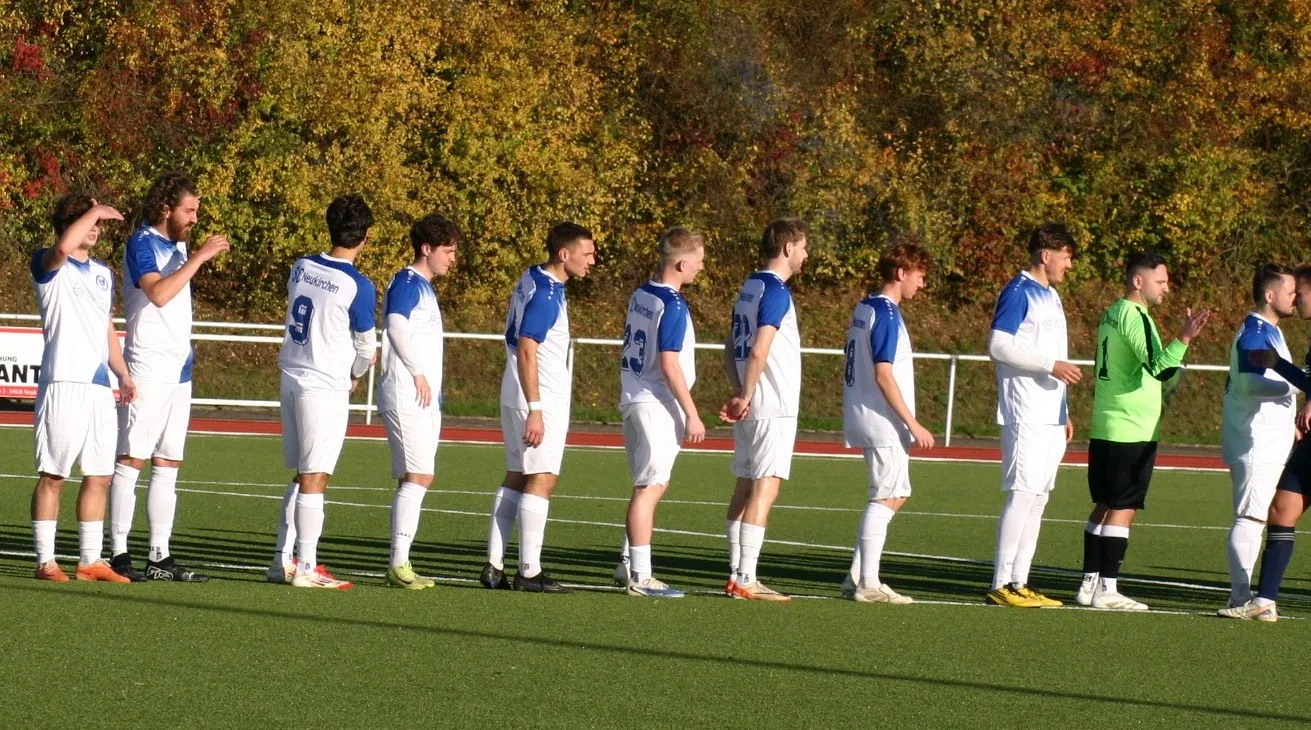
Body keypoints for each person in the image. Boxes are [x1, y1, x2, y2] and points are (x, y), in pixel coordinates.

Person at [109, 171, 229, 582]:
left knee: (168, 463)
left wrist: (190, 253)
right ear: (166, 208)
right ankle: (119, 554)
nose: (195, 218)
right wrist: (198, 258)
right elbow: (157, 294)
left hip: (179, 368)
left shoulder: (178, 244)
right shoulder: (142, 243)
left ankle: (159, 556)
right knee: (131, 459)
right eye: (189, 210)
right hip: (147, 365)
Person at [1081, 253, 1209, 610]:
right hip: (1130, 428)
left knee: (1104, 504)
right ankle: (1107, 590)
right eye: (1161, 281)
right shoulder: (1134, 316)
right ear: (1138, 281)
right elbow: (1159, 367)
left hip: (1108, 422)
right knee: (1123, 506)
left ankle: (1089, 583)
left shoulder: (1112, 312)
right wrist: (1184, 337)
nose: (1167, 287)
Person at [268, 194, 378, 590]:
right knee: (316, 476)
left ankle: (282, 559)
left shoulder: (301, 265)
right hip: (324, 383)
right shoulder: (358, 284)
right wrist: (355, 374)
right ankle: (308, 566)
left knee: (302, 474)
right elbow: (367, 347)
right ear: (366, 236)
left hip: (292, 373)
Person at [480, 222, 596, 593]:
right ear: (564, 254)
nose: (593, 260)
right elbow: (528, 347)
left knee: (516, 474)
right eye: (587, 253)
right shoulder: (547, 293)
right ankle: (529, 571)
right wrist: (536, 407)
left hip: (514, 391)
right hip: (536, 396)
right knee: (542, 477)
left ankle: (494, 564)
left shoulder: (532, 276)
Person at [29, 193, 137, 583]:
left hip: (98, 387)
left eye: (98, 223)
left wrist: (122, 372)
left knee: (99, 475)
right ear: (70, 224)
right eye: (88, 221)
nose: (95, 228)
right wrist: (93, 208)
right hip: (63, 381)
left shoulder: (103, 273)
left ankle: (90, 560)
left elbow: (104, 325)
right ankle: (46, 561)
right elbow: (62, 247)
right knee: (54, 475)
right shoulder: (47, 263)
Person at [984, 224, 1081, 608]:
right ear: (1046, 254)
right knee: (1022, 495)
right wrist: (1049, 366)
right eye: (1066, 255)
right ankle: (1001, 583)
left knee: (1038, 498)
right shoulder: (1018, 291)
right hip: (1025, 412)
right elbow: (998, 345)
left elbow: (1051, 353)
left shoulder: (1051, 296)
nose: (1069, 264)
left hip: (1050, 415)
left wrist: (1065, 409)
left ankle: (1020, 582)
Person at [611, 226, 706, 598]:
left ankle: (626, 562)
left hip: (635, 397)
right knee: (650, 488)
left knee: (646, 485)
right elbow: (669, 363)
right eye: (698, 262)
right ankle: (642, 576)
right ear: (682, 263)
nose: (701, 268)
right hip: (655, 403)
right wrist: (692, 413)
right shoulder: (673, 303)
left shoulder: (642, 292)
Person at [839, 241, 934, 604]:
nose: (921, 285)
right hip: (883, 419)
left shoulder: (864, 307)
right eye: (919, 276)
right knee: (888, 495)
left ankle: (855, 576)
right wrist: (913, 422)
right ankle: (869, 582)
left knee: (894, 493)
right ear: (901, 273)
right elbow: (883, 374)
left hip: (866, 413)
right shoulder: (887, 313)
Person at [720, 218, 808, 602]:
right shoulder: (775, 290)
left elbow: (728, 347)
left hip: (753, 402)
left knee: (744, 485)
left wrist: (740, 391)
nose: (806, 255)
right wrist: (747, 393)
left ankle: (736, 575)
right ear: (788, 248)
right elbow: (759, 348)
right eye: (804, 247)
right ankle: (746, 577)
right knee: (764, 487)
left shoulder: (749, 287)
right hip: (771, 404)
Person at [1220, 265, 1311, 622]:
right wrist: (1296, 386)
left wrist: (1296, 386)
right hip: (1257, 440)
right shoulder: (1258, 331)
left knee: (1266, 513)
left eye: (1298, 291)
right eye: (1291, 291)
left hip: (1268, 440)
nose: (1295, 297)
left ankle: (1251, 598)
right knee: (1267, 514)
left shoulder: (1270, 332)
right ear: (1270, 295)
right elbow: (1249, 383)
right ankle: (1252, 598)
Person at [377, 213, 461, 589]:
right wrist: (416, 371)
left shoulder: (424, 286)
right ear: (426, 249)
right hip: (406, 391)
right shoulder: (408, 282)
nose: (453, 258)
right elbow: (395, 325)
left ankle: (401, 561)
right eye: (448, 250)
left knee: (417, 476)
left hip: (424, 397)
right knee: (419, 475)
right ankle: (398, 564)